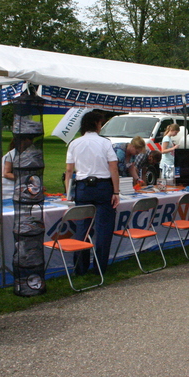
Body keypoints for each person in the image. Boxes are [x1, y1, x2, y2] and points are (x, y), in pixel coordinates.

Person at [65, 111, 120, 275]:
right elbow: (113, 168)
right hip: (103, 186)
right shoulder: (105, 143)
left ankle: (80, 268)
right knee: (103, 229)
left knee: (82, 228)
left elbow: (69, 171)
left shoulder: (75, 143)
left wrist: (68, 193)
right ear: (96, 123)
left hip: (82, 187)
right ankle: (100, 267)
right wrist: (116, 191)